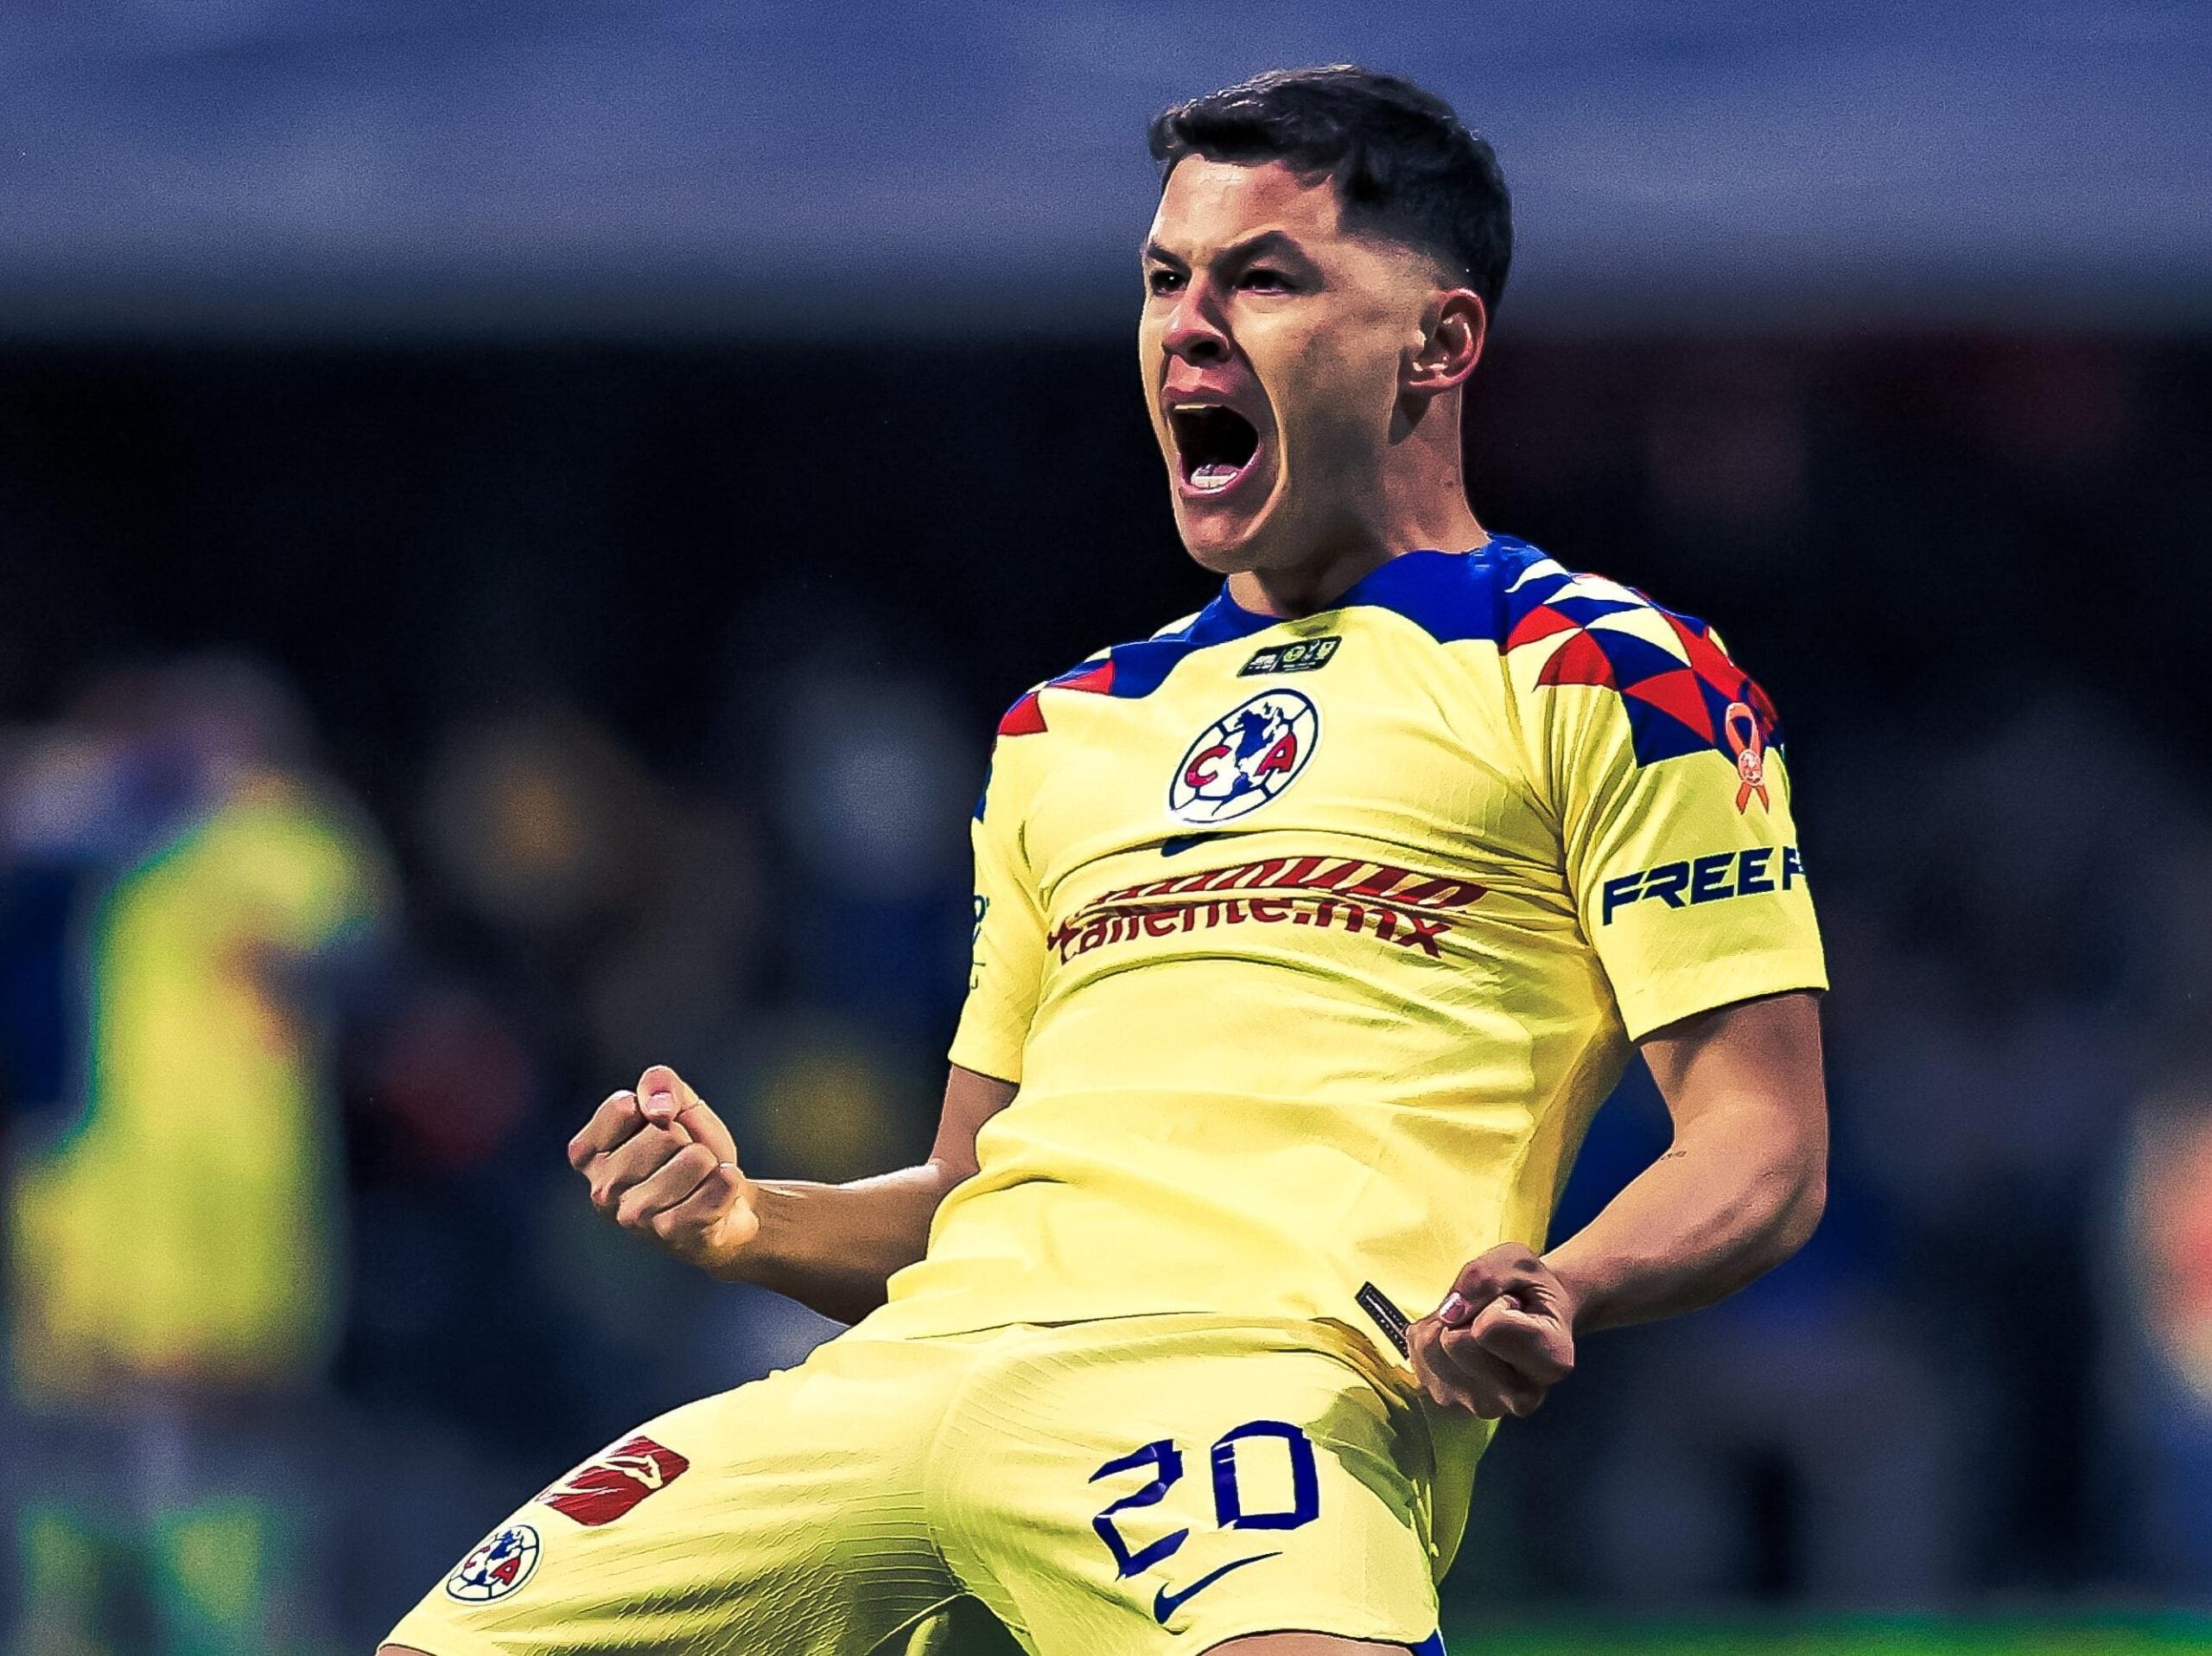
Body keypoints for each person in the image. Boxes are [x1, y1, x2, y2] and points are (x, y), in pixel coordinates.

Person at [383, 65, 1827, 1656]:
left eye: (1264, 278)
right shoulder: (1069, 727)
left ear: (1441, 341)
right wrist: (751, 1222)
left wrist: (1571, 1282)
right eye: (1162, 281)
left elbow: (1760, 1138)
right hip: (903, 1382)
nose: (1186, 328)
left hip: (1256, 1390)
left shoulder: (1601, 669)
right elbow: (965, 1193)